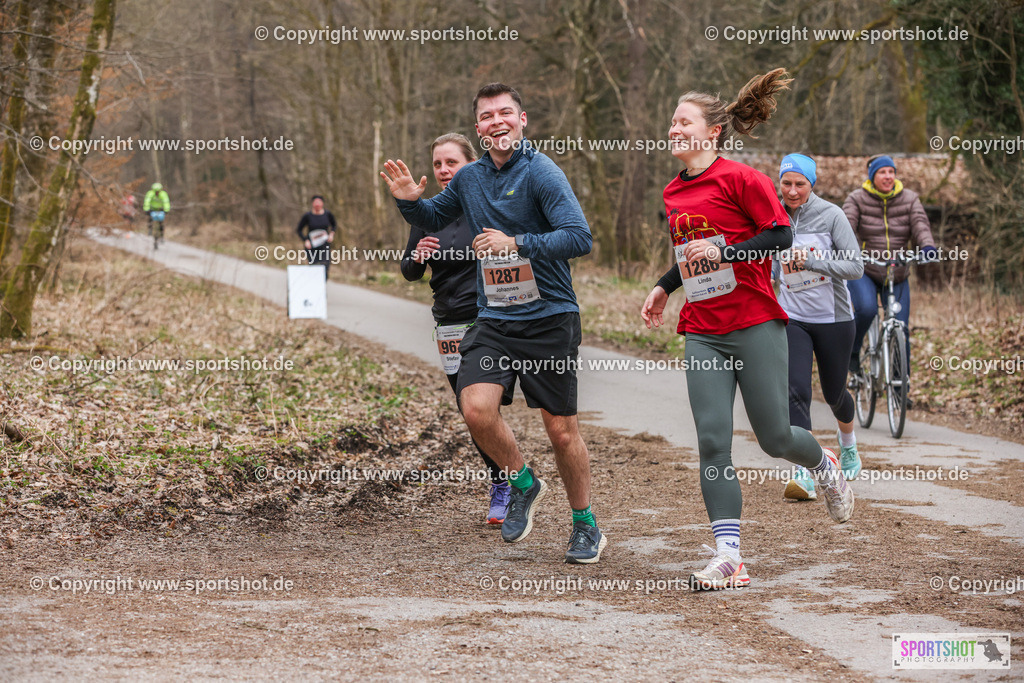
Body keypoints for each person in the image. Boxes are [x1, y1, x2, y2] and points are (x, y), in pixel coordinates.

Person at [639, 68, 854, 591]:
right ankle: (729, 555)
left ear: (711, 131)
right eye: (670, 121)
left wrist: (727, 252)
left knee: (775, 438)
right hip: (704, 329)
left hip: (756, 321)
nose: (672, 129)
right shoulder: (673, 191)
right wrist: (666, 286)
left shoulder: (742, 179)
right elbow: (694, 253)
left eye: (681, 121)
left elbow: (779, 233)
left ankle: (824, 461)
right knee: (713, 442)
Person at [381, 83, 606, 564]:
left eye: (506, 113)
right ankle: (524, 483)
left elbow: (579, 237)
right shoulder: (469, 180)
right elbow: (431, 214)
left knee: (561, 431)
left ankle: (585, 524)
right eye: (487, 116)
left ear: (522, 121)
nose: (497, 121)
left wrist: (516, 243)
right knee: (475, 408)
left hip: (549, 317)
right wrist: (407, 202)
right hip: (496, 318)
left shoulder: (542, 172)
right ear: (479, 128)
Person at [400, 132, 510, 525]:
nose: (445, 171)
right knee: (473, 413)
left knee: (489, 406)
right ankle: (504, 482)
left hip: (493, 319)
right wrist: (417, 256)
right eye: (438, 164)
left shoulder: (488, 206)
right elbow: (409, 272)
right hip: (449, 324)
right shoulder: (428, 213)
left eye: (452, 163)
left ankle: (518, 477)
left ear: (470, 164)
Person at [773, 154, 864, 502]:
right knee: (796, 388)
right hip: (792, 316)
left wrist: (810, 261)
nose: (792, 191)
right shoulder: (773, 215)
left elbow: (855, 266)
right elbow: (767, 262)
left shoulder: (832, 215)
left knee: (834, 393)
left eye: (800, 184)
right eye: (787, 183)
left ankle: (848, 444)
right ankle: (806, 467)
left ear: (812, 184)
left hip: (834, 319)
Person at [843, 155, 937, 392]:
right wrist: (851, 252)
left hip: (897, 273)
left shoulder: (910, 199)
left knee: (901, 328)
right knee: (866, 309)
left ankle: (899, 388)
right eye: (882, 172)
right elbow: (846, 227)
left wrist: (926, 247)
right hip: (866, 269)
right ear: (872, 176)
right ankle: (853, 351)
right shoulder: (857, 199)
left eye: (891, 172)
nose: (888, 176)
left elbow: (920, 224)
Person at [295, 195, 338, 279]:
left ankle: (322, 286)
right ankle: (315, 287)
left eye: (319, 202)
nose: (317, 204)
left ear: (322, 204)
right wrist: (305, 240)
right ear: (312, 204)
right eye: (316, 202)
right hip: (311, 246)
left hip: (324, 244)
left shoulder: (328, 214)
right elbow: (299, 229)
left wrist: (331, 234)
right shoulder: (308, 216)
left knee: (325, 266)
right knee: (314, 267)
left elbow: (334, 225)